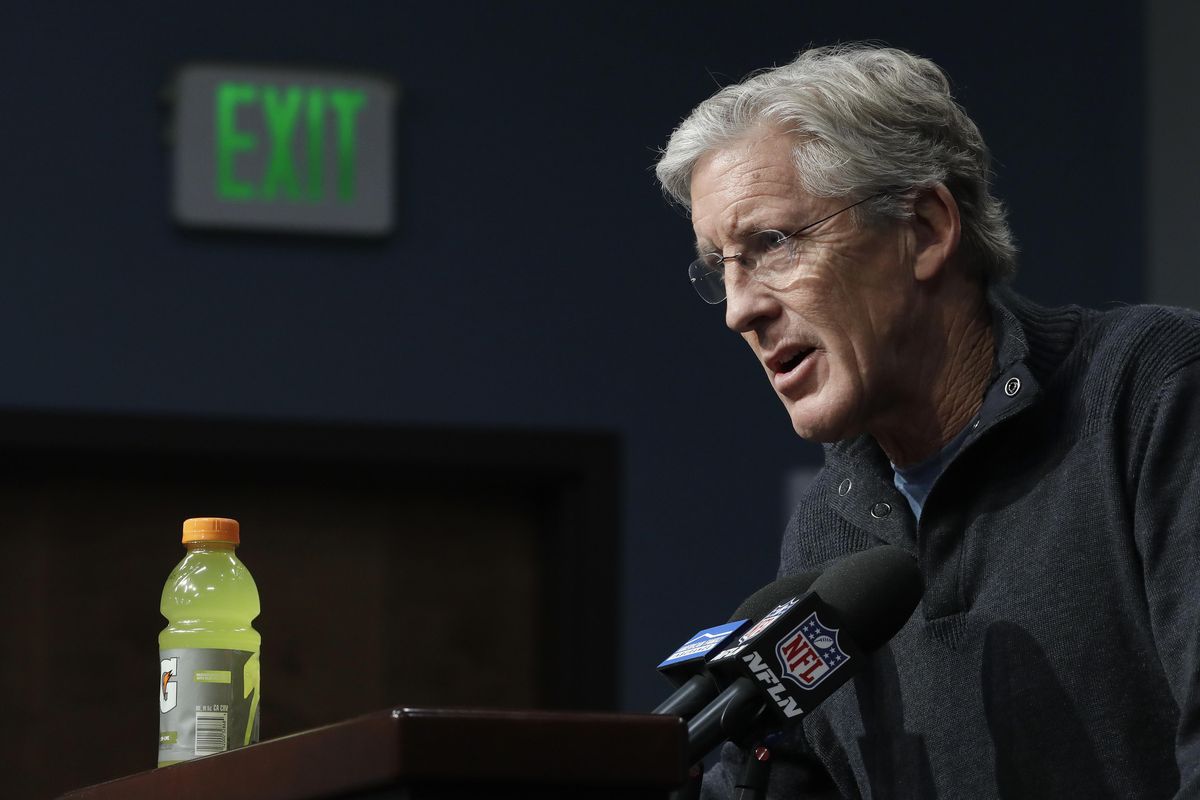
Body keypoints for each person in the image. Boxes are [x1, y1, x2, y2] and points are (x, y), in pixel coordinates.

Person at [654, 43, 1200, 799]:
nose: (741, 309)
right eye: (722, 269)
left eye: (772, 244)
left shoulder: (1153, 391)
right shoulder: (830, 533)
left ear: (926, 228)